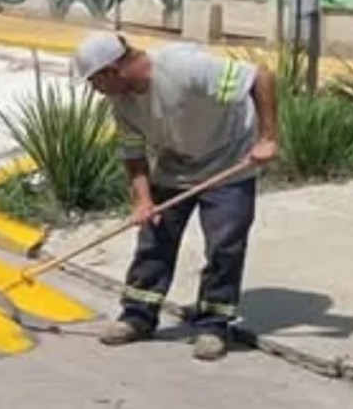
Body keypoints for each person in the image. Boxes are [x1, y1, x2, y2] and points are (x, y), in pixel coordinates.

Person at [73, 32, 278, 361]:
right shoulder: (122, 102)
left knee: (225, 244)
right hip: (176, 166)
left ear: (113, 70)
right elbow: (133, 153)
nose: (95, 90)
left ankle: (213, 324)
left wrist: (267, 138)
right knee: (154, 237)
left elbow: (259, 76)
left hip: (230, 161)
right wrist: (143, 200)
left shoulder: (183, 68)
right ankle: (138, 316)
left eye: (95, 80)